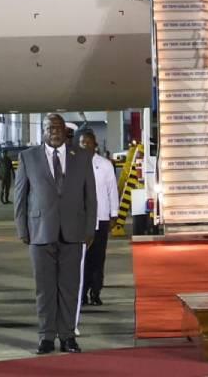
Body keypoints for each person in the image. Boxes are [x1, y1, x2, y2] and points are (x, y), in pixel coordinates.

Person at [14, 114, 97, 355]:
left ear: (65, 131)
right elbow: (20, 198)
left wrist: (89, 229)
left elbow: (90, 197)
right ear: (43, 131)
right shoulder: (28, 157)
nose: (54, 131)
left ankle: (68, 337)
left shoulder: (81, 157)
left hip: (73, 232)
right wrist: (22, 228)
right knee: (44, 289)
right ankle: (46, 337)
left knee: (69, 288)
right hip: (40, 233)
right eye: (50, 127)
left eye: (58, 127)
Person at [78, 130, 120, 306]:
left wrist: (114, 215)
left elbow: (112, 190)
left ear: (95, 144)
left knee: (98, 258)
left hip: (101, 218)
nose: (85, 145)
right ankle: (82, 294)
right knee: (81, 259)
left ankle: (96, 291)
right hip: (80, 220)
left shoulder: (105, 165)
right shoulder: (73, 165)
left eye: (88, 142)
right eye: (82, 142)